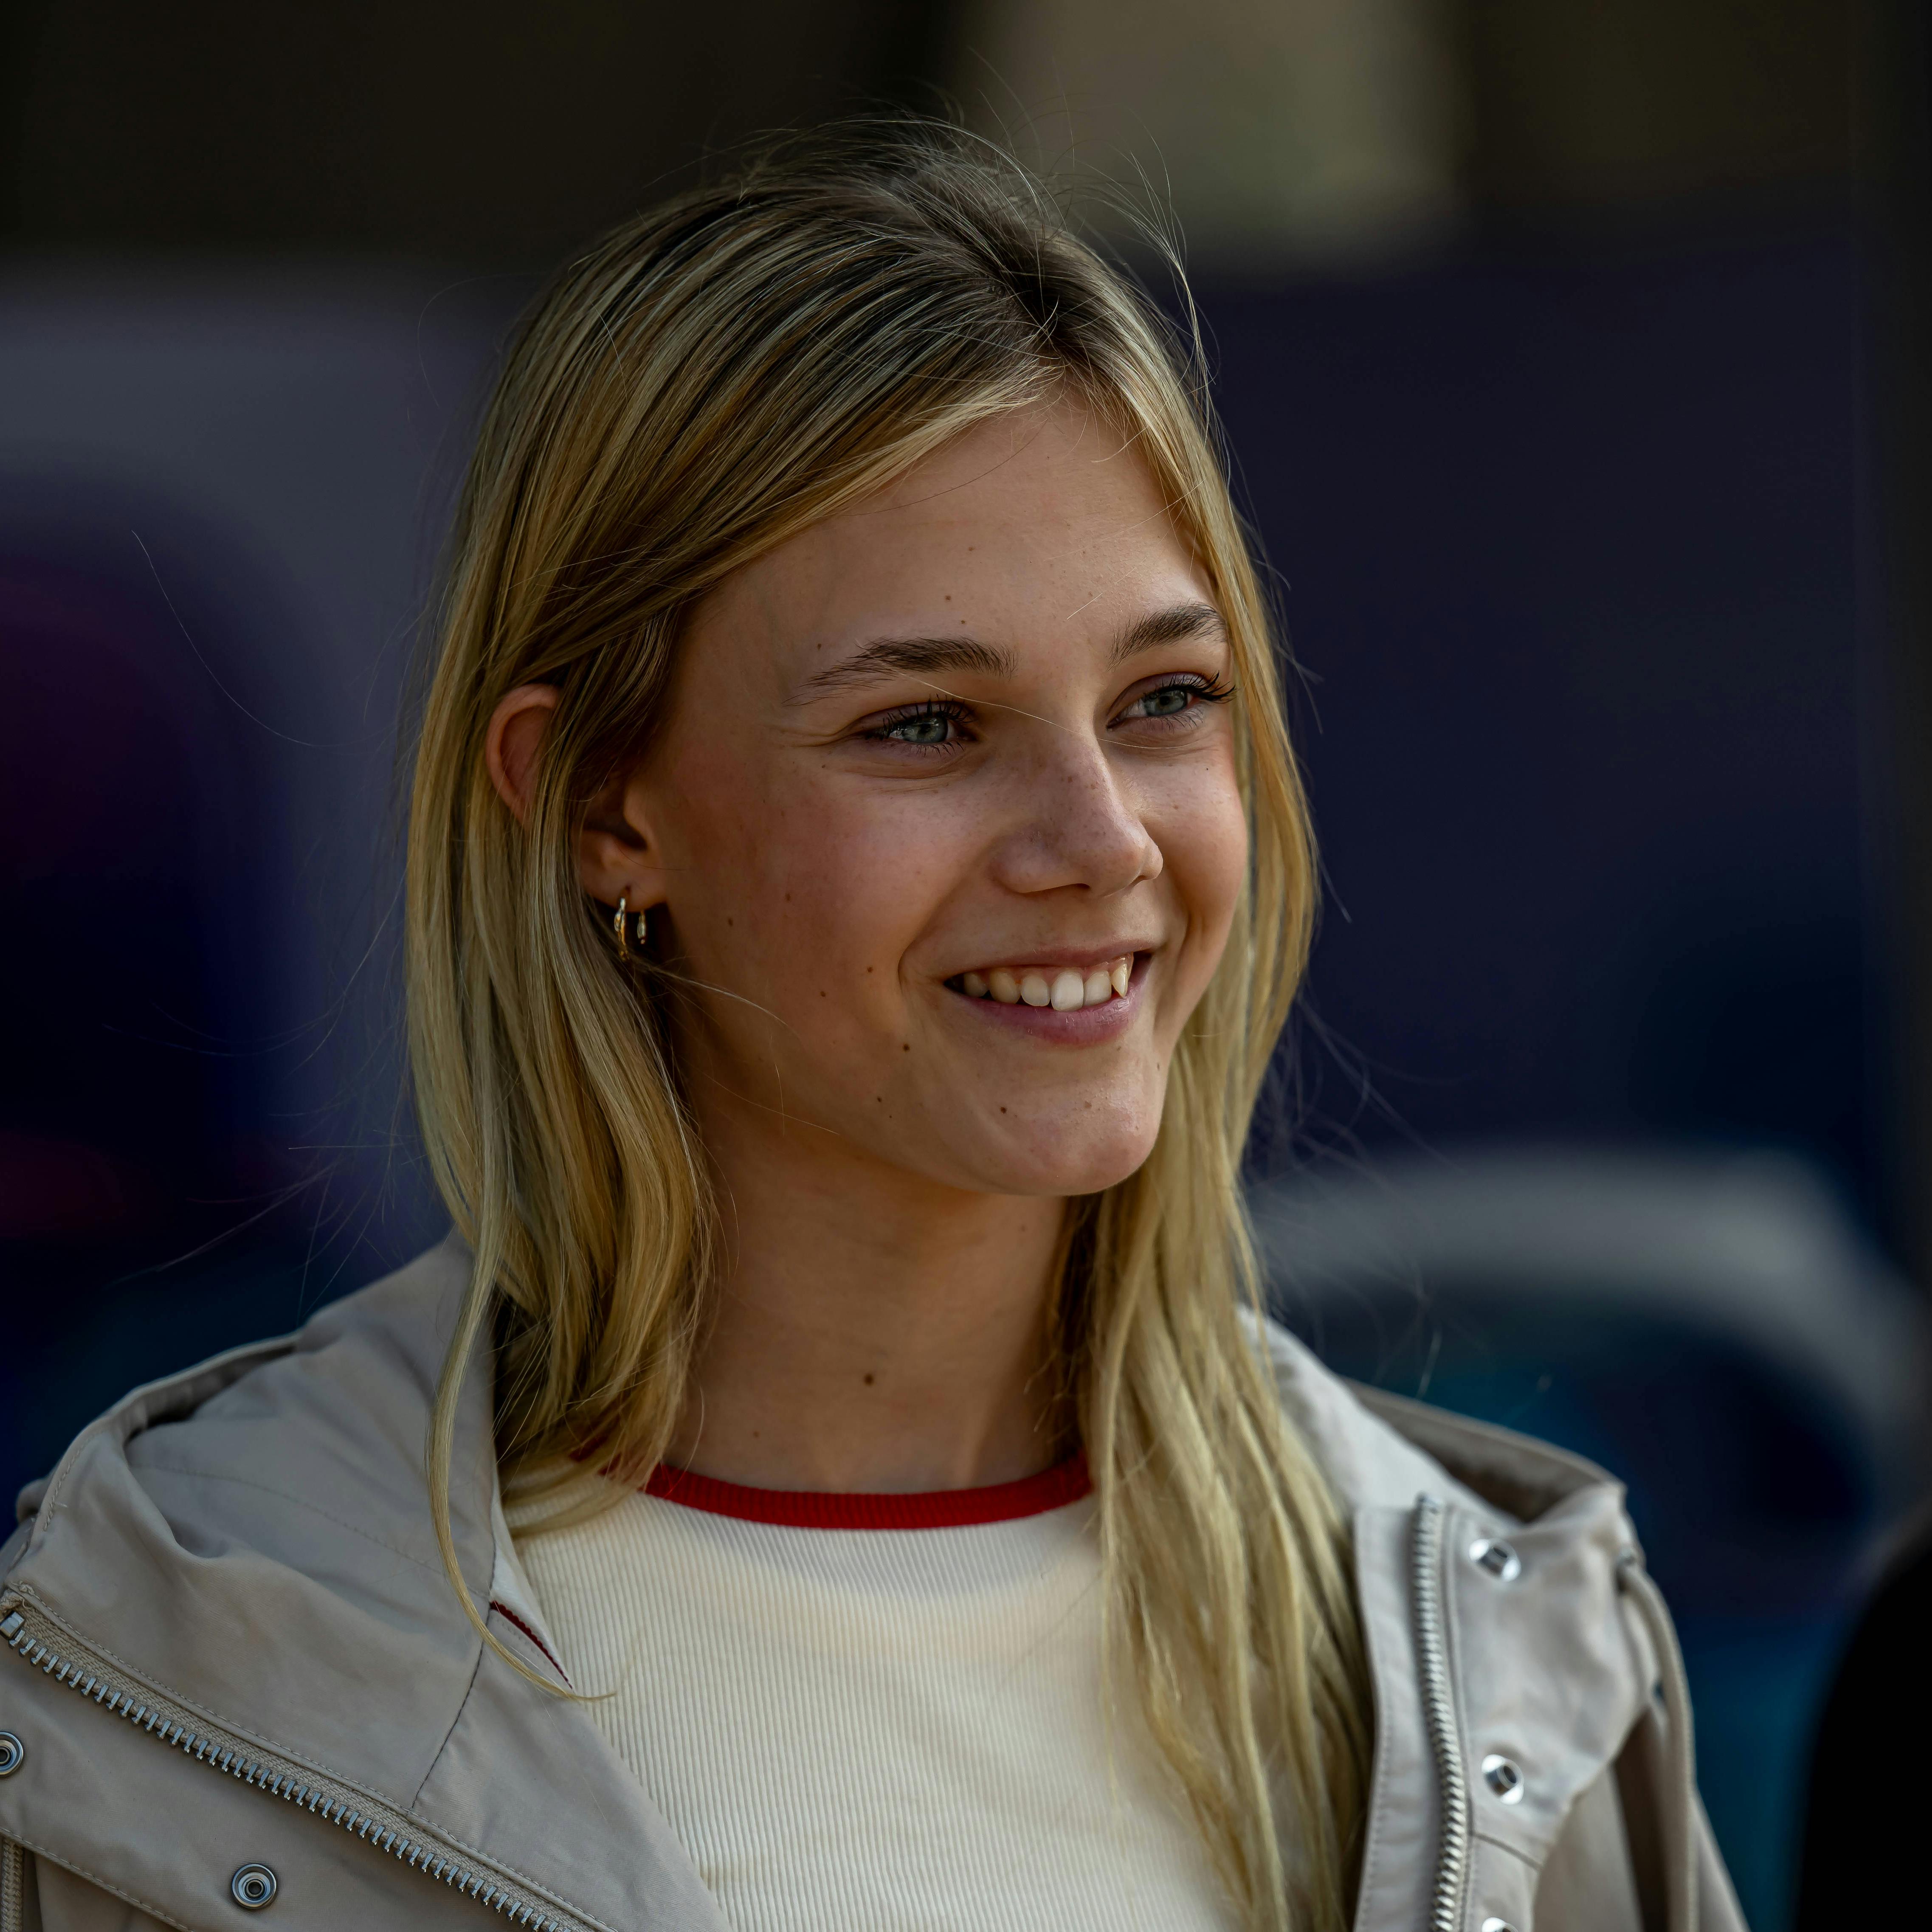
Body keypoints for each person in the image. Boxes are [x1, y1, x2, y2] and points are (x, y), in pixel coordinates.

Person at [0, 126, 1743, 1932]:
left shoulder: (1497, 1669)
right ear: (600, 806)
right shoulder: (156, 1683)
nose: (1102, 841)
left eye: (1164, 698)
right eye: (925, 725)